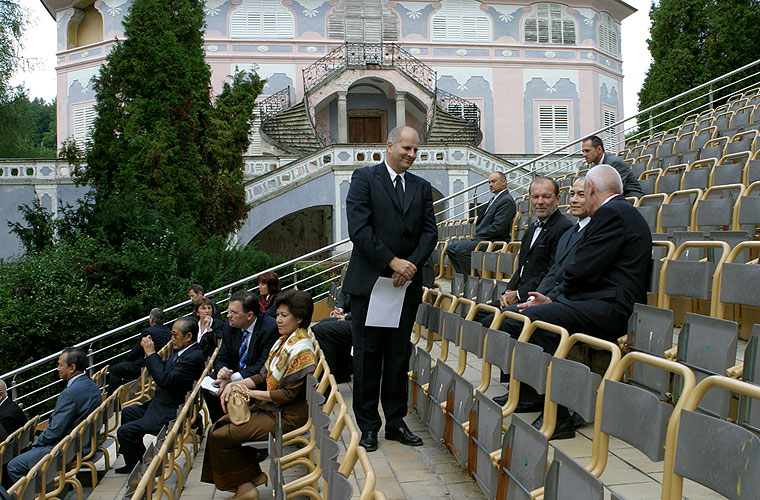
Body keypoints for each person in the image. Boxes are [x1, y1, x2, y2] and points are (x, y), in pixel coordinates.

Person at [496, 165, 652, 437]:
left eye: (583, 192)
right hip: (597, 302)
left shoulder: (612, 213)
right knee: (520, 316)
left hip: (611, 309)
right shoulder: (621, 211)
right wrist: (550, 298)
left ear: (591, 190)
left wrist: (552, 300)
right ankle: (542, 401)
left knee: (532, 320)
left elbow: (580, 269)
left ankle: (559, 414)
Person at [342, 126, 437, 452]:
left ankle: (396, 422)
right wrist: (393, 261)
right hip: (370, 285)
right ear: (390, 145)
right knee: (367, 358)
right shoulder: (364, 179)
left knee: (398, 357)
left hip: (405, 287)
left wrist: (409, 265)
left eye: (415, 150)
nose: (410, 155)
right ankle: (368, 427)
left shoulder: (422, 187)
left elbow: (429, 233)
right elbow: (359, 229)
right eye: (406, 148)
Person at [201, 290, 317, 500]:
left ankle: (246, 485)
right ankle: (250, 479)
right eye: (278, 315)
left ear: (299, 318)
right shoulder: (284, 341)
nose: (278, 320)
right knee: (219, 426)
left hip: (286, 416)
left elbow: (286, 396)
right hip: (273, 408)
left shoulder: (302, 350)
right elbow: (262, 374)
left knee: (219, 434)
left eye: (283, 316)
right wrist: (235, 385)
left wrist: (247, 391)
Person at [115, 317, 205, 473]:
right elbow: (164, 369)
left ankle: (147, 470)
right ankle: (135, 462)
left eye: (175, 335)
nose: (172, 338)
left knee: (125, 432)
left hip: (169, 411)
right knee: (128, 412)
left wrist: (151, 354)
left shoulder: (193, 357)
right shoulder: (183, 352)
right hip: (160, 404)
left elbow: (165, 380)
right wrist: (152, 356)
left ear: (188, 336)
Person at [6, 348, 102, 484]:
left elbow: (54, 431)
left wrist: (34, 445)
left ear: (72, 368)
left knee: (14, 465)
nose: (57, 369)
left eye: (60, 365)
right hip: (84, 443)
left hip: (68, 450)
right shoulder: (92, 385)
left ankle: (39, 495)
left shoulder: (70, 393)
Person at [204, 291, 279, 424]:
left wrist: (233, 379)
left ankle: (238, 426)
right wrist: (223, 371)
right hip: (233, 372)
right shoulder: (230, 326)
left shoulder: (270, 328)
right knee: (209, 385)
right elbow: (222, 355)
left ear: (249, 315)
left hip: (256, 380)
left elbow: (263, 364)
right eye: (228, 311)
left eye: (233, 313)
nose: (228, 316)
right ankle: (220, 423)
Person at [446, 171, 516, 275]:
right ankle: (465, 277)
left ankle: (474, 281)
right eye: (489, 182)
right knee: (450, 248)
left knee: (461, 249)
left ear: (504, 182)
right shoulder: (495, 199)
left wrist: (478, 236)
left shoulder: (506, 200)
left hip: (495, 240)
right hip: (484, 238)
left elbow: (498, 227)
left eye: (494, 181)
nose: (490, 185)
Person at [106, 308, 173, 395]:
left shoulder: (148, 332)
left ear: (151, 320)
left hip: (145, 368)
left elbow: (136, 351)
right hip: (162, 366)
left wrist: (129, 360)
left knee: (114, 370)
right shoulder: (169, 332)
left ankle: (112, 404)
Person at [312, 288, 353, 384]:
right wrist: (339, 309)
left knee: (322, 331)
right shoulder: (354, 273)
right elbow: (344, 292)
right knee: (321, 324)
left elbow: (367, 305)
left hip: (364, 322)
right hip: (351, 316)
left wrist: (346, 316)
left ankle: (327, 382)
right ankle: (341, 373)